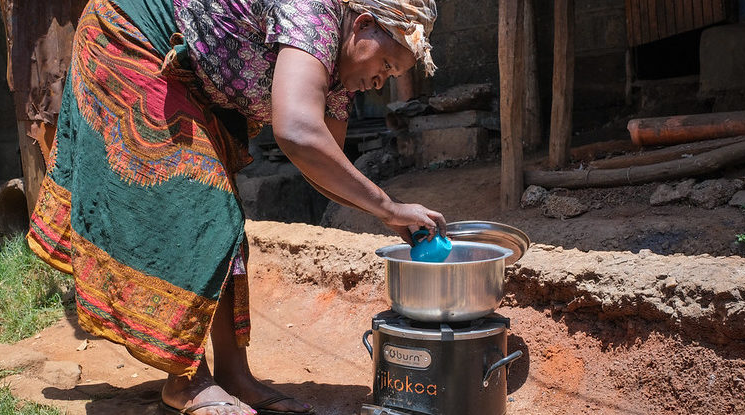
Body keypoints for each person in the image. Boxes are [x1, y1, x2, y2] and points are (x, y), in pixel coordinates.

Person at [26, 0, 443, 413]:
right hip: (131, 34)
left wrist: (387, 214)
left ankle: (233, 373)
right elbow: (296, 130)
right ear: (364, 25)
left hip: (189, 71)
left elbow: (321, 165)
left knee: (224, 221)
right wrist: (389, 206)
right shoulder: (312, 13)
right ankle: (185, 381)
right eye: (387, 65)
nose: (380, 83)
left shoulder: (337, 81)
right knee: (199, 204)